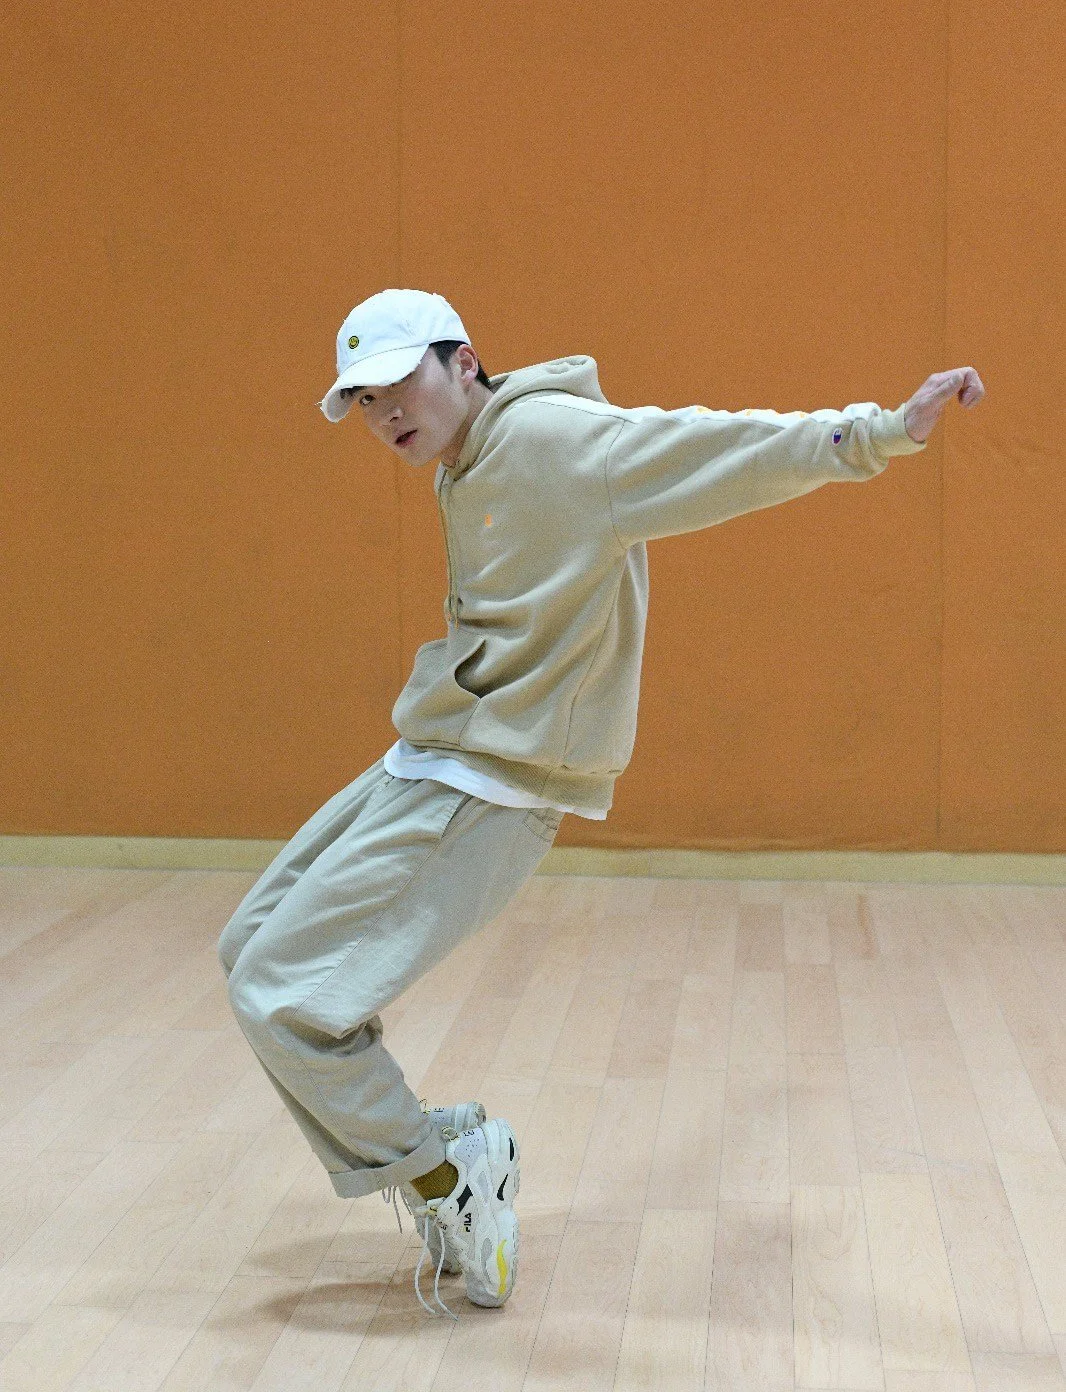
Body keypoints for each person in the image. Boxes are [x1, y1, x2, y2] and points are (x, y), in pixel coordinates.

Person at [217, 287, 984, 1320]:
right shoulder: (467, 458)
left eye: (401, 382)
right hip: (438, 752)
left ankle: (448, 1175)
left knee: (282, 995)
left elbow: (717, 450)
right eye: (364, 399)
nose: (385, 411)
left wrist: (879, 433)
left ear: (464, 361)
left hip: (495, 780)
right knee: (251, 949)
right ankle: (430, 1143)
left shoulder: (555, 441)